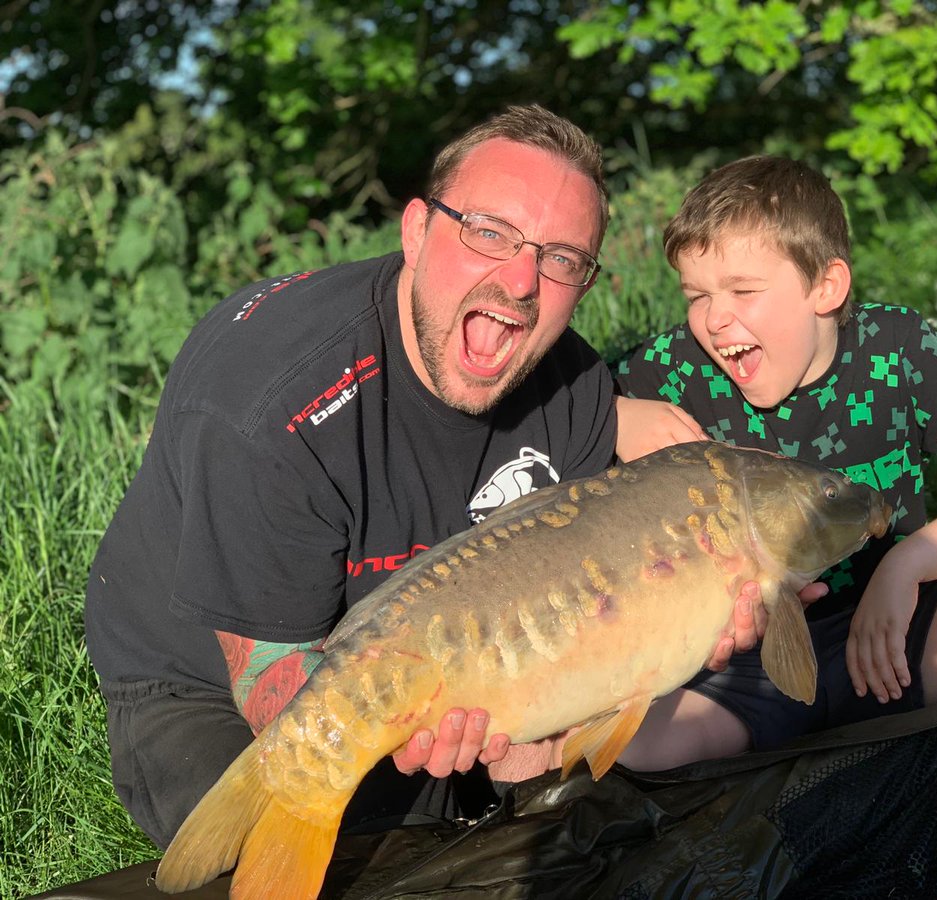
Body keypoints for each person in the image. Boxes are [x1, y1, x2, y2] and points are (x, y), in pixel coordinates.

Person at [84, 105, 761, 849]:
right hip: (213, 682)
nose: (521, 280)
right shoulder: (272, 403)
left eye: (562, 258)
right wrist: (408, 727)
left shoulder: (571, 389)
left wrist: (664, 646)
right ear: (417, 231)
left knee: (584, 823)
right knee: (326, 842)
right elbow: (272, 689)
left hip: (439, 658)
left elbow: (567, 643)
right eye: (489, 233)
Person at [609, 155, 937, 771]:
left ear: (827, 286)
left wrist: (908, 565)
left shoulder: (897, 348)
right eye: (697, 296)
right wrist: (616, 414)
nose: (715, 318)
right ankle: (796, 786)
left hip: (894, 642)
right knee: (629, 749)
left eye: (743, 290)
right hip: (746, 670)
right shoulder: (670, 368)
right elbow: (558, 414)